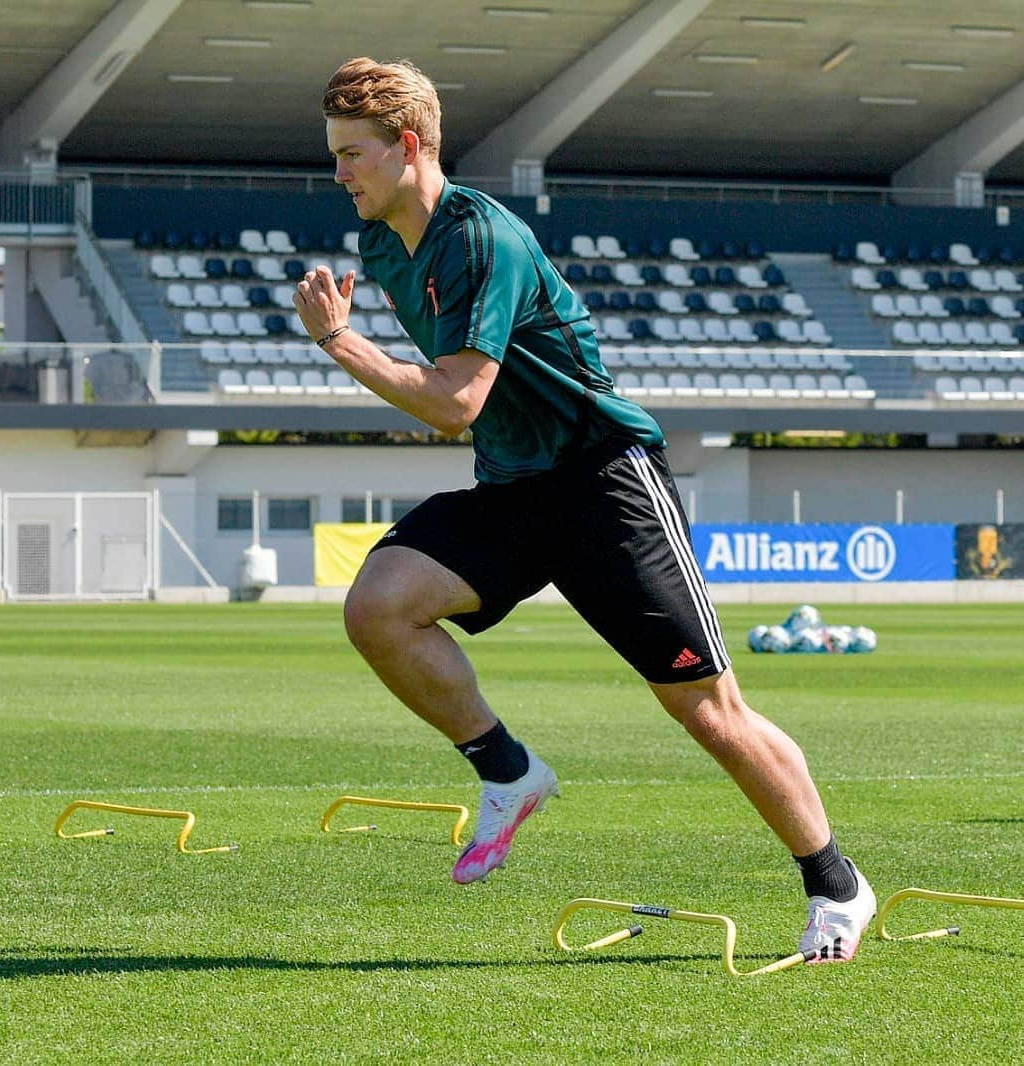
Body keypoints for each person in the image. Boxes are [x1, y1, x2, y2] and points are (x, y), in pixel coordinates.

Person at [293, 56, 876, 963]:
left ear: (408, 147)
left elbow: (454, 400)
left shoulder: (483, 237)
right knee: (378, 607)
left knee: (708, 711)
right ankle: (507, 771)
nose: (338, 175)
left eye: (351, 155)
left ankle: (836, 884)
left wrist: (339, 342)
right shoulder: (378, 246)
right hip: (517, 489)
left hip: (605, 482)